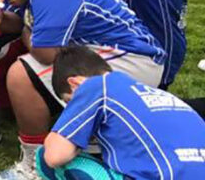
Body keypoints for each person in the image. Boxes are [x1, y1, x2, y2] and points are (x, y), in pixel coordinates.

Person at [0, 0, 165, 180]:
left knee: (21, 73)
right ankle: (80, 145)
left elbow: (45, 53)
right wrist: (1, 19)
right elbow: (25, 26)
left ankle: (35, 168)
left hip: (134, 60)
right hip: (110, 52)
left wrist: (28, 30)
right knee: (28, 67)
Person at [38, 46, 205, 179]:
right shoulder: (158, 95)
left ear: (75, 83)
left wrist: (76, 140)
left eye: (70, 102)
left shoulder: (95, 86)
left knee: (46, 157)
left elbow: (54, 156)